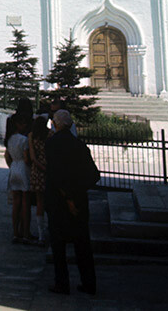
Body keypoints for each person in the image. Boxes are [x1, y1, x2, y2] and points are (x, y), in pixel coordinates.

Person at [45, 109, 99, 296]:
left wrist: (68, 198)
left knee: (58, 246)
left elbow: (55, 175)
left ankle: (62, 283)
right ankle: (89, 283)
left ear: (56, 124)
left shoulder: (52, 145)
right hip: (79, 203)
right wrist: (77, 192)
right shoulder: (79, 146)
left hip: (59, 203)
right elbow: (94, 175)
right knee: (82, 245)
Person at [6, 113, 32, 243]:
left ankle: (16, 232)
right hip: (23, 168)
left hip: (13, 167)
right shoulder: (24, 140)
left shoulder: (9, 139)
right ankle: (26, 233)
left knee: (15, 202)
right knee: (25, 202)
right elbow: (27, 158)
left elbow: (8, 156)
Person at [26, 114, 50, 244]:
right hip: (49, 169)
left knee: (39, 202)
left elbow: (33, 157)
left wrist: (40, 167)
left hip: (37, 171)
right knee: (50, 201)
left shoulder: (31, 136)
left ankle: (41, 233)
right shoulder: (50, 135)